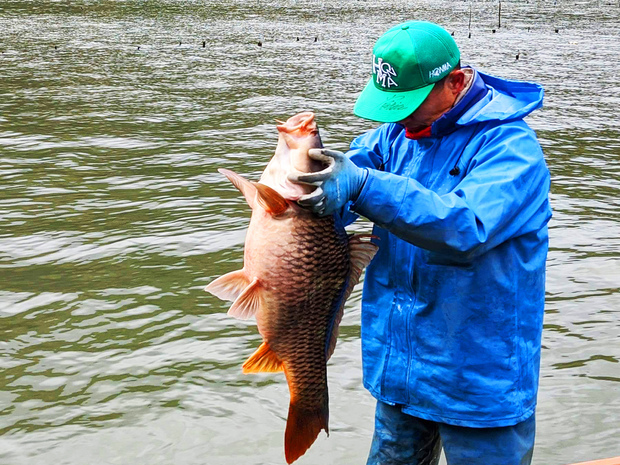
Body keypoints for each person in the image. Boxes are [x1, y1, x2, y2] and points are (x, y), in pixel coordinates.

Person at [288, 21, 552, 465]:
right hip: (402, 373)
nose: (398, 117)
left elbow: (465, 226)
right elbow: (348, 178)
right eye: (390, 105)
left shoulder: (511, 148)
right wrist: (304, 177)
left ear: (454, 82)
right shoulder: (394, 134)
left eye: (409, 103)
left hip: (479, 383)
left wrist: (364, 186)